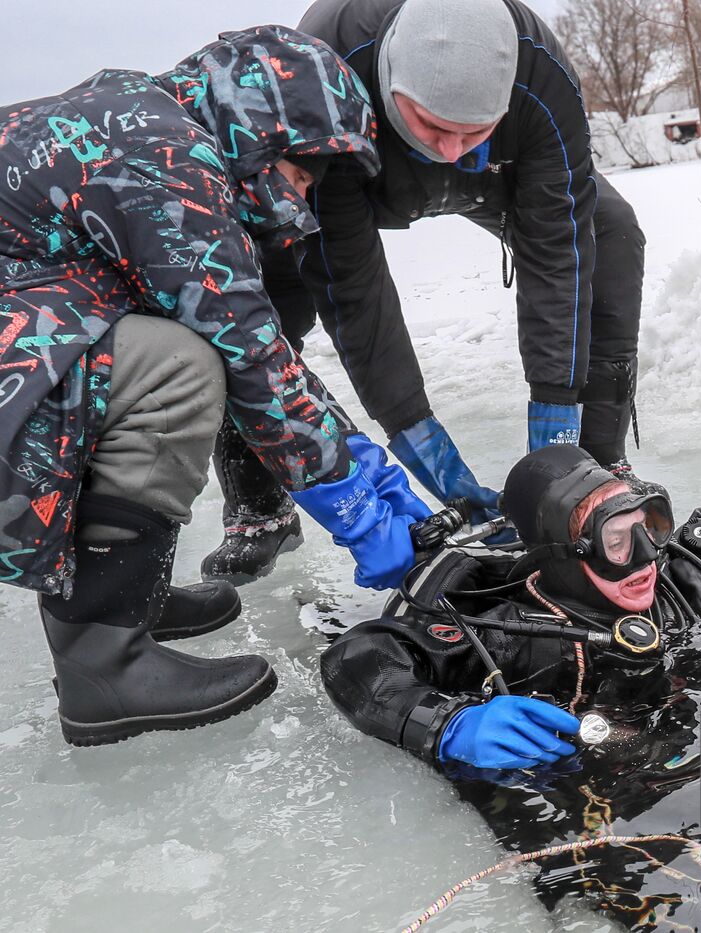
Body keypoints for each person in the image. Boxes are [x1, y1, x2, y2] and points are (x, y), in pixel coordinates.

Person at [0, 26, 433, 746]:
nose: (301, 199)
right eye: (303, 174)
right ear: (265, 127)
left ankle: (115, 597)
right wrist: (347, 497)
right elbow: (245, 350)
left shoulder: (146, 124)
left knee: (148, 346)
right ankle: (103, 662)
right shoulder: (162, 159)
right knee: (178, 362)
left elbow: (257, 342)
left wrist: (360, 456)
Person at [201, 0, 647, 583]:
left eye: (473, 131)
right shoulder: (328, 75)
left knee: (610, 233)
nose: (453, 149)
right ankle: (260, 509)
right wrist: (425, 447)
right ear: (389, 88)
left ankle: (597, 463)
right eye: (436, 127)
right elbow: (354, 291)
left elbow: (558, 252)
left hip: (502, 172)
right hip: (361, 169)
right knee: (265, 288)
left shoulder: (542, 79)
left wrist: (556, 447)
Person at [320, 445, 701, 773]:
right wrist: (447, 725)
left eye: (649, 528)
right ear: (563, 555)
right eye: (619, 542)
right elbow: (357, 657)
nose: (647, 558)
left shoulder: (670, 568)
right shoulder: (503, 627)